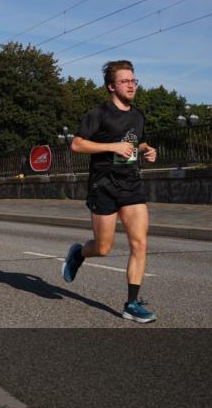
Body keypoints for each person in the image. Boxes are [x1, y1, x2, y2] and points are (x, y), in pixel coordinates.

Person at [61, 60, 158, 324]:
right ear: (111, 86)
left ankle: (132, 303)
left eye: (133, 80)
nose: (131, 85)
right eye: (126, 81)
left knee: (140, 243)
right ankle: (79, 253)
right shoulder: (98, 114)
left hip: (131, 184)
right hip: (103, 186)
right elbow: (78, 145)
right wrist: (112, 146)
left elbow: (139, 142)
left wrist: (147, 150)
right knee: (103, 248)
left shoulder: (138, 115)